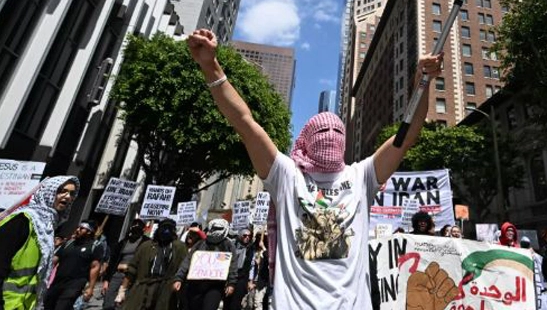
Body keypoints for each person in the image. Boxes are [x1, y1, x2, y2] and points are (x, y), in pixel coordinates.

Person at [187, 28, 443, 309]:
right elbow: (245, 123)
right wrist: (210, 67)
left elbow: (405, 137)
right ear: (305, 141)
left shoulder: (362, 176)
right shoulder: (286, 175)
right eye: (322, 130)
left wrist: (422, 83)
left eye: (336, 129)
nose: (330, 134)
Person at [0, 175, 79, 310]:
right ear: (48, 192)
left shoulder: (46, 227)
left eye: (72, 193)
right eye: (62, 190)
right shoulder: (22, 221)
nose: (67, 196)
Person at [116, 219, 186, 310]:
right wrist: (122, 290)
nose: (166, 231)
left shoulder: (179, 248)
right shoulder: (146, 246)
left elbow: (184, 268)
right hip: (143, 288)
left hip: (165, 292)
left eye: (169, 229)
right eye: (164, 228)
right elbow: (132, 269)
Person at [173, 218, 238, 310]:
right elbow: (187, 261)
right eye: (214, 229)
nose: (216, 231)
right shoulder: (200, 244)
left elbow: (233, 264)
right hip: (196, 285)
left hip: (215, 286)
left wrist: (231, 283)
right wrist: (178, 278)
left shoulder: (228, 245)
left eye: (219, 229)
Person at [44, 220, 105, 310]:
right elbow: (55, 259)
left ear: (89, 232)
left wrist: (91, 287)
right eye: (78, 227)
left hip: (75, 283)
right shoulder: (69, 243)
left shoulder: (95, 246)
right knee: (48, 305)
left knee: (62, 306)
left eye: (82, 228)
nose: (78, 230)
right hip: (58, 281)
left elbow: (95, 267)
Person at [102, 219, 148, 309]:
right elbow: (113, 261)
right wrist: (106, 280)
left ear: (143, 230)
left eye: (138, 228)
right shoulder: (123, 242)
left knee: (122, 304)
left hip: (132, 277)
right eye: (134, 227)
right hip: (117, 275)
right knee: (108, 302)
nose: (135, 230)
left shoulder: (146, 243)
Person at [224, 228, 255, 310]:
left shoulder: (250, 248)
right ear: (240, 236)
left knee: (236, 302)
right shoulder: (232, 246)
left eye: (249, 236)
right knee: (227, 301)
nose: (247, 237)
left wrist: (250, 280)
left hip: (242, 278)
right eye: (245, 235)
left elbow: (252, 265)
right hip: (230, 277)